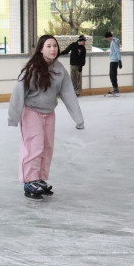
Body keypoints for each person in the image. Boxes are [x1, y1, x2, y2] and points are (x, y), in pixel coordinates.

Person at [8, 35, 84, 200]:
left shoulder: (59, 69)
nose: (53, 49)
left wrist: (78, 119)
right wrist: (13, 118)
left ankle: (39, 178)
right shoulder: (32, 68)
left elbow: (68, 93)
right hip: (31, 112)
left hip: (49, 113)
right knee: (34, 147)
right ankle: (30, 181)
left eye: (55, 46)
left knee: (47, 147)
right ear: (41, 49)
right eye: (48, 46)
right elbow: (18, 93)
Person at [105, 31, 122, 96]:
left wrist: (119, 60)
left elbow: (117, 51)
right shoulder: (114, 40)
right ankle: (115, 87)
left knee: (112, 75)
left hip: (114, 60)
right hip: (114, 60)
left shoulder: (114, 42)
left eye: (107, 38)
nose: (107, 40)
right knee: (113, 74)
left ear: (109, 37)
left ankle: (115, 88)